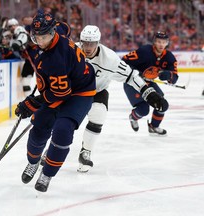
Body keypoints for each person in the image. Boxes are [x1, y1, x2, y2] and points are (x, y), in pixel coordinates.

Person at [14, 12, 96, 192]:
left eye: (44, 37)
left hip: (79, 93)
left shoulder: (56, 59)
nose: (40, 41)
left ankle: (47, 173)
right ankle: (33, 163)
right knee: (39, 129)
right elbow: (65, 27)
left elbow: (61, 93)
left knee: (62, 130)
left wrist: (33, 102)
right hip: (61, 86)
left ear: (52, 33)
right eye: (37, 37)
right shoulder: (57, 30)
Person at [75, 25, 168, 172]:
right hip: (74, 91)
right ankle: (53, 147)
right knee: (62, 119)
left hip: (97, 90)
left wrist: (149, 93)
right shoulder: (71, 52)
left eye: (91, 43)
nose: (88, 47)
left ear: (98, 42)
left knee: (99, 114)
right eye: (85, 43)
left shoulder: (110, 59)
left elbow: (131, 76)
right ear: (80, 41)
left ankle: (85, 152)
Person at [123, 31, 178, 135]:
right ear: (154, 42)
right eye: (158, 42)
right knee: (143, 109)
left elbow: (175, 78)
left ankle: (154, 126)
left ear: (167, 43)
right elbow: (124, 61)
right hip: (133, 82)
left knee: (162, 104)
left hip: (148, 82)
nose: (161, 44)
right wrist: (136, 72)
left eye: (164, 42)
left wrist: (168, 75)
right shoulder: (144, 51)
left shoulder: (169, 57)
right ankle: (133, 117)